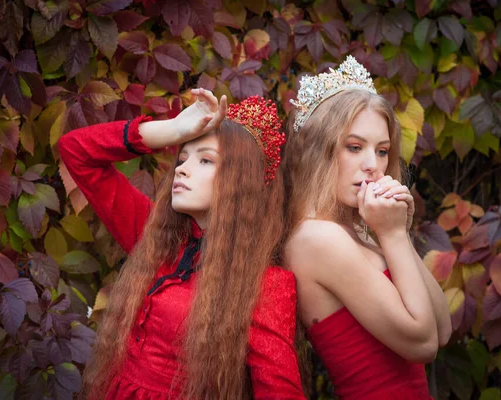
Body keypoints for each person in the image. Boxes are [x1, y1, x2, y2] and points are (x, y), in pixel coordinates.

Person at [58, 90, 305, 399]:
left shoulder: (264, 285)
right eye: (183, 157)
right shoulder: (156, 237)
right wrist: (173, 129)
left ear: (242, 183)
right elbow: (75, 151)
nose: (181, 169)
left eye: (205, 160)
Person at [283, 56, 452, 399]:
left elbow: (443, 328)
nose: (373, 165)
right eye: (354, 147)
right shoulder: (316, 237)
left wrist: (397, 233)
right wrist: (390, 236)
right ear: (317, 150)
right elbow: (423, 344)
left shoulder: (356, 228)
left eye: (383, 150)